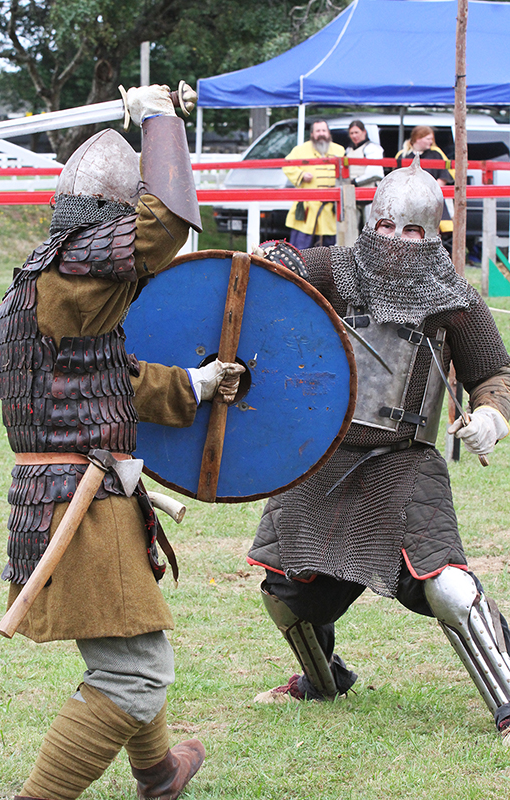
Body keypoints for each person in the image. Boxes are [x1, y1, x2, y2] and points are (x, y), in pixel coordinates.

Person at [0, 83, 244, 800]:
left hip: (65, 494)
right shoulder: (77, 266)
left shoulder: (33, 285)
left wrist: (193, 384)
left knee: (133, 637)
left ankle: (159, 774)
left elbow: (102, 377)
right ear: (109, 214)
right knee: (133, 671)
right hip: (82, 502)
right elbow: (167, 225)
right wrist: (162, 118)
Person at [247, 155, 510, 742]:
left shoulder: (454, 299)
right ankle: (322, 680)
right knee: (284, 592)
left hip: (403, 460)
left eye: (412, 230)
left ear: (431, 235)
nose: (397, 240)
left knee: (447, 587)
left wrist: (492, 414)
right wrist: (275, 260)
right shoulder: (337, 269)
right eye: (387, 226)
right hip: (324, 457)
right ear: (371, 224)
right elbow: (280, 269)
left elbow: (496, 372)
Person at [282, 120, 345, 249]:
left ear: (328, 133)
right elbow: (287, 165)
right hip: (308, 210)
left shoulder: (339, 150)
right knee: (301, 250)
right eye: (318, 131)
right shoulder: (300, 150)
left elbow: (345, 171)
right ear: (312, 134)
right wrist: (301, 175)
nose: (321, 134)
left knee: (329, 251)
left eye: (323, 131)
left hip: (329, 211)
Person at [396, 125, 454, 250]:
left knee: (432, 230)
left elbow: (443, 178)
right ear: (418, 138)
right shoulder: (403, 155)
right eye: (428, 138)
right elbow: (397, 179)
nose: (431, 142)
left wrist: (428, 192)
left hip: (431, 199)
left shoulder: (436, 154)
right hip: (408, 200)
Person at [345, 120, 384, 232]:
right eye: (352, 133)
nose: (354, 136)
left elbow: (375, 172)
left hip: (369, 192)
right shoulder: (349, 150)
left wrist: (355, 181)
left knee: (371, 228)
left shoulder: (372, 148)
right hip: (353, 194)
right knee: (352, 228)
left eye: (357, 132)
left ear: (364, 132)